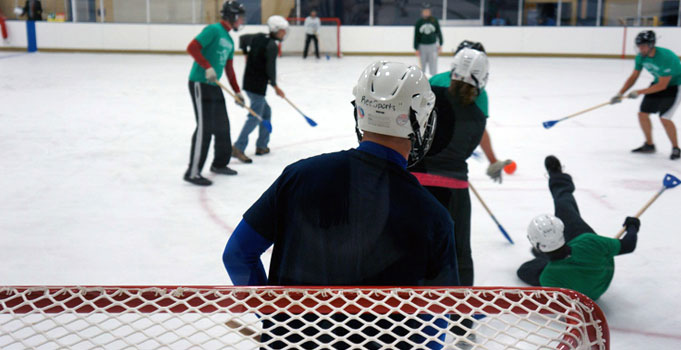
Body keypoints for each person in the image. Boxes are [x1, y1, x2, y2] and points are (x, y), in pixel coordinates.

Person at [223, 61, 458, 349]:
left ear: (360, 110)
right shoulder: (434, 217)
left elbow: (237, 254)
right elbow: (435, 324)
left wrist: (275, 318)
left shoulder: (299, 177)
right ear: (421, 120)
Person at [411, 48, 489, 288]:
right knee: (460, 253)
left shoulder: (431, 93)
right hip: (455, 188)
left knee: (409, 247)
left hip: (416, 184)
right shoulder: (479, 113)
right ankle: (462, 314)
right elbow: (465, 151)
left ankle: (404, 309)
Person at [517, 155, 641, 301]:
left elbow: (564, 304)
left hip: (584, 294)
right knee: (564, 206)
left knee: (525, 271)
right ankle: (558, 178)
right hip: (601, 281)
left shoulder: (548, 277)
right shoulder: (589, 242)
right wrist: (632, 226)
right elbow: (628, 245)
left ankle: (547, 256)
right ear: (563, 229)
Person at [429, 40, 513, 184]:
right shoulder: (479, 93)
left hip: (423, 164)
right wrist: (492, 160)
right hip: (452, 172)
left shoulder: (436, 80)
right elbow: (479, 130)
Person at [183, 0, 245, 186]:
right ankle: (193, 173)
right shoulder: (213, 30)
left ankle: (219, 164)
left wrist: (237, 92)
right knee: (205, 128)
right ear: (232, 16)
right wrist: (207, 67)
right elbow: (192, 47)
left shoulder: (230, 41)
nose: (242, 21)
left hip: (214, 85)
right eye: (240, 18)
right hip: (200, 83)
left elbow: (229, 69)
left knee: (222, 125)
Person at [611, 30, 681, 160]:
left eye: (643, 46)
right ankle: (649, 145)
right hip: (657, 83)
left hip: (675, 86)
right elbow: (634, 76)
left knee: (665, 118)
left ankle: (676, 148)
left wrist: (639, 92)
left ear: (651, 44)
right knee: (642, 114)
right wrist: (620, 93)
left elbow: (663, 85)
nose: (640, 49)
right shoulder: (641, 57)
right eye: (639, 46)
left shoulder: (666, 57)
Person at [232, 15, 288, 163]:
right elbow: (271, 69)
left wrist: (245, 53)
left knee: (266, 112)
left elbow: (243, 39)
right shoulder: (272, 46)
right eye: (282, 31)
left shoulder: (258, 37)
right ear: (275, 30)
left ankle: (262, 146)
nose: (284, 34)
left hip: (250, 82)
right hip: (256, 86)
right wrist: (275, 86)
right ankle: (238, 147)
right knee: (255, 117)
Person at [414, 4, 442, 76]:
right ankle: (422, 78)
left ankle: (433, 78)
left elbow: (438, 32)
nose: (426, 12)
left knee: (433, 64)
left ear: (430, 11)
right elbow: (416, 36)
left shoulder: (434, 20)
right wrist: (416, 48)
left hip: (432, 46)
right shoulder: (419, 22)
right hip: (422, 46)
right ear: (422, 12)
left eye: (428, 11)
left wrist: (440, 44)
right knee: (422, 65)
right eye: (425, 11)